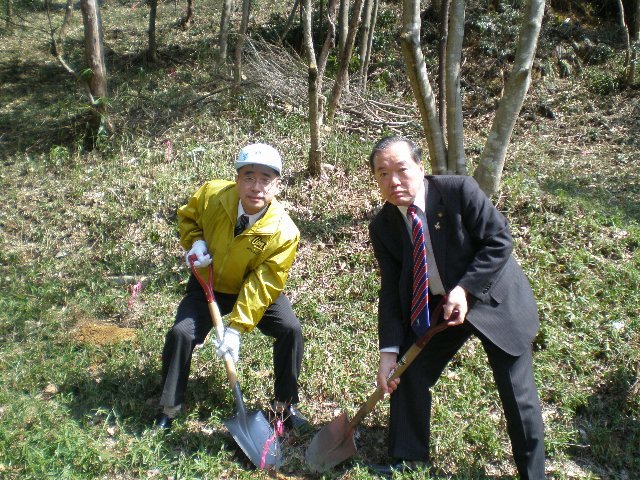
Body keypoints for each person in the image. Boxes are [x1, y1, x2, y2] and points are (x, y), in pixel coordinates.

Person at [367, 136, 545, 479]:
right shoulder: (383, 226)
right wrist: (388, 351)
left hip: (492, 299)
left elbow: (499, 240)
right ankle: (407, 460)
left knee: (516, 395)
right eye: (383, 173)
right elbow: (391, 289)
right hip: (439, 308)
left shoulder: (458, 191)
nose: (394, 181)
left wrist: (464, 289)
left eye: (402, 170)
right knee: (411, 371)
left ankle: (533, 473)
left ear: (420, 168)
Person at [154, 143, 310, 434]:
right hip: (209, 280)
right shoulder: (213, 195)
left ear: (277, 185)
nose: (256, 187)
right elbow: (188, 217)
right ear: (237, 178)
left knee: (290, 330)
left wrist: (236, 328)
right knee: (181, 333)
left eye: (266, 180)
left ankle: (285, 406)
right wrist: (195, 242)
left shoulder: (284, 232)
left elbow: (265, 281)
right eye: (249, 177)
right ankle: (169, 406)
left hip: (250, 288)